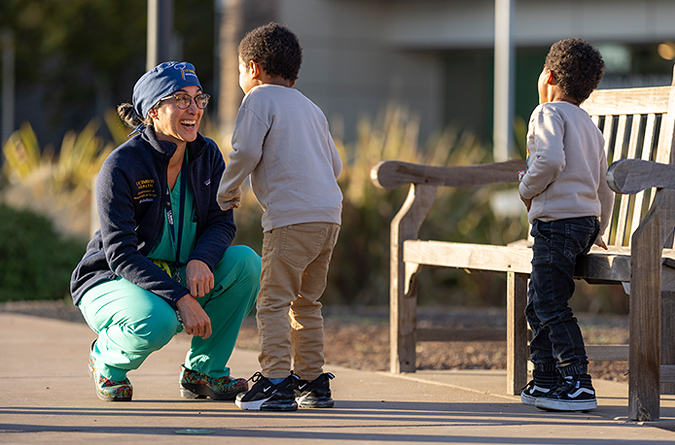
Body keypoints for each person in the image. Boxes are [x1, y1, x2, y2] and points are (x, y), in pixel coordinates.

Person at [70, 61, 261, 402]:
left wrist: (202, 259)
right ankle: (106, 360)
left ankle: (204, 371)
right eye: (180, 100)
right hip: (111, 280)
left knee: (245, 263)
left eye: (198, 99)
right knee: (155, 321)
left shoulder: (207, 155)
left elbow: (221, 221)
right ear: (154, 111)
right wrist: (180, 297)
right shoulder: (122, 166)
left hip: (177, 273)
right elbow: (121, 254)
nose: (194, 110)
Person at [217, 22, 343, 411]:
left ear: (252, 68)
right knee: (306, 303)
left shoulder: (258, 99)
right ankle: (312, 382)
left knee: (271, 302)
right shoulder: (311, 106)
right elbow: (335, 166)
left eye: (239, 70)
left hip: (291, 219)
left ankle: (274, 382)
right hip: (329, 218)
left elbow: (246, 151)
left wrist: (227, 188)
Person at [518, 39, 613, 412]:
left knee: (551, 304)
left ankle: (577, 383)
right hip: (582, 224)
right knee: (539, 301)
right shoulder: (589, 124)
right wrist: (599, 228)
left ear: (549, 76)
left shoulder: (547, 113)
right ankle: (544, 379)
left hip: (557, 224)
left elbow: (550, 159)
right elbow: (603, 183)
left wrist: (526, 188)